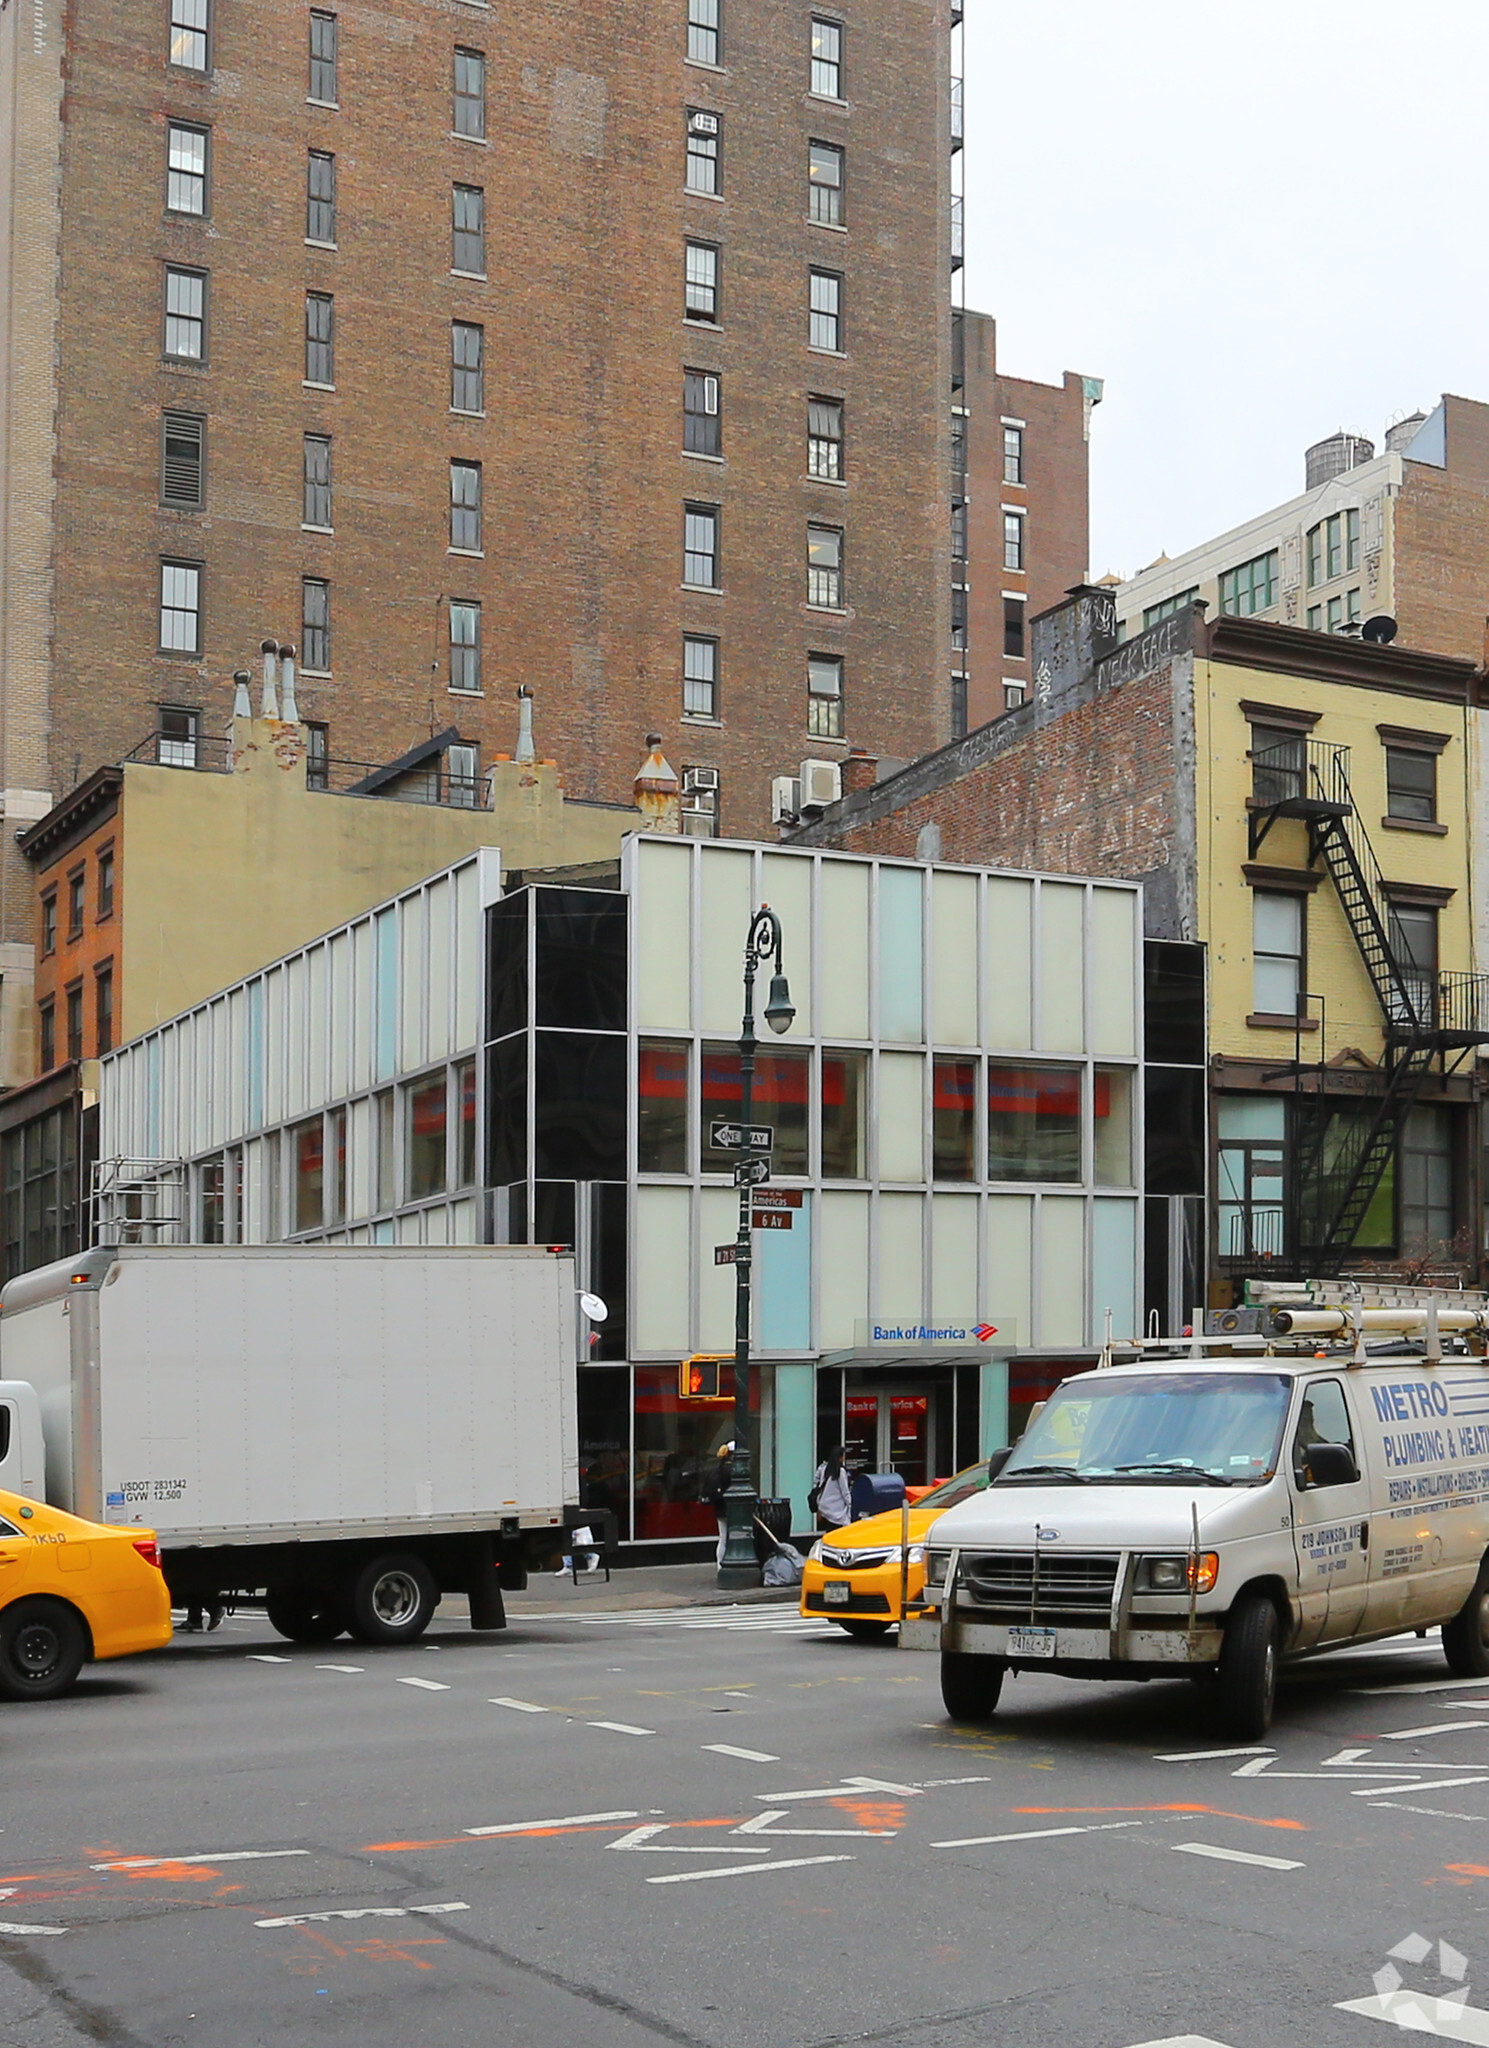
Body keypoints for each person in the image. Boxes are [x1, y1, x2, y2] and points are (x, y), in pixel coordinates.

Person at [811, 1445, 854, 1532]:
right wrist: (850, 1504)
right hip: (836, 1511)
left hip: (825, 1509)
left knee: (829, 1532)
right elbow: (845, 1492)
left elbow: (817, 1482)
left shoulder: (825, 1469)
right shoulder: (840, 1472)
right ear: (840, 1457)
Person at [706, 1440, 735, 1564]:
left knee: (722, 1537)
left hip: (720, 1507)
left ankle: (720, 1564)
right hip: (732, 1508)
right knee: (734, 1537)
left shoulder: (718, 1468)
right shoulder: (732, 1470)